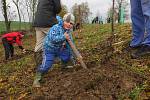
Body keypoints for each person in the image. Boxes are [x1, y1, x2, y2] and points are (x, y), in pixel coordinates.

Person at [33, 13, 75, 87]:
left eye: (71, 23)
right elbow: (53, 39)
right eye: (67, 22)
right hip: (49, 50)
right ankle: (38, 77)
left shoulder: (68, 31)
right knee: (47, 66)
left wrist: (73, 55)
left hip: (59, 48)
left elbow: (71, 43)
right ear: (63, 21)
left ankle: (64, 66)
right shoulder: (56, 27)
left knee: (67, 54)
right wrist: (63, 37)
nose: (69, 24)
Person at [33, 0, 61, 66]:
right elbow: (58, 9)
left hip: (38, 22)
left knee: (39, 45)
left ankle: (40, 65)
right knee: (59, 38)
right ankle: (62, 60)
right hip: (48, 21)